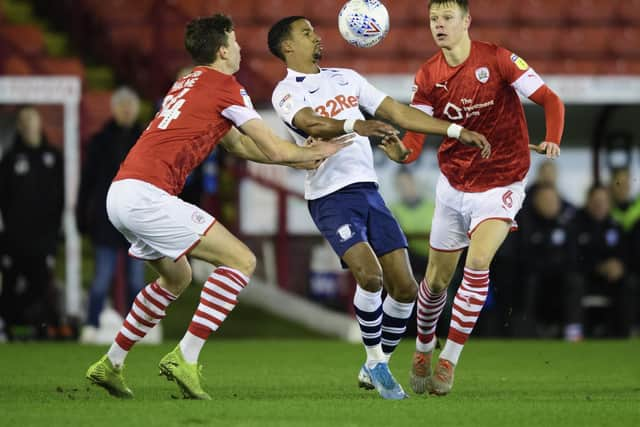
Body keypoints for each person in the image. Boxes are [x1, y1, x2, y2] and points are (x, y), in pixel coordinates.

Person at [85, 14, 352, 400]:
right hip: (148, 195)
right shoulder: (225, 85)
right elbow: (274, 147)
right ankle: (185, 357)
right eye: (236, 41)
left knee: (177, 278)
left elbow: (238, 145)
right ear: (223, 50)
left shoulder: (189, 82)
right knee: (241, 260)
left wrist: (295, 158)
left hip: (122, 193)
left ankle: (111, 362)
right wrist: (315, 151)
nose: (242, 48)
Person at [267, 16, 490, 400]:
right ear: (287, 47)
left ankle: (376, 365)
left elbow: (398, 113)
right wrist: (359, 125)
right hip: (330, 196)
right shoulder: (285, 91)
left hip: (369, 192)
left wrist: (453, 131)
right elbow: (311, 123)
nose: (315, 36)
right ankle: (376, 363)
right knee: (369, 277)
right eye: (305, 33)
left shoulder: (347, 77)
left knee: (405, 288)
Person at [401, 0, 565, 396]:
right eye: (433, 20)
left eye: (446, 18)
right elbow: (416, 132)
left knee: (476, 264)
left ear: (466, 21)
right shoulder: (428, 75)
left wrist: (553, 139)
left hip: (501, 184)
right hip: (454, 185)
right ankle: (424, 347)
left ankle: (449, 361)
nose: (438, 26)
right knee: (436, 281)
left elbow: (551, 100)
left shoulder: (498, 58)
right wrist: (400, 150)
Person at [77, 87, 146, 342]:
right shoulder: (99, 141)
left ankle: (134, 330)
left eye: (131, 105)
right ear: (114, 109)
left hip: (137, 222)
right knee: (102, 278)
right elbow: (87, 182)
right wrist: (80, 216)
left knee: (135, 280)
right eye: (122, 105)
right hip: (105, 222)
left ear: (137, 108)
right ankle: (91, 325)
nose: (127, 110)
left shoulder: (146, 138)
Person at [0, 107, 64, 340]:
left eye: (33, 119)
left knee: (40, 285)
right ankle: (5, 326)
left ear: (40, 123)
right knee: (10, 283)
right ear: (19, 126)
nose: (29, 125)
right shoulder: (10, 158)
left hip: (44, 236)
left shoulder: (54, 157)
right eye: (25, 120)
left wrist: (56, 230)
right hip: (15, 237)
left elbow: (60, 197)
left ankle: (41, 327)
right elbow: (4, 198)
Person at [516, 184, 583, 341]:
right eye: (545, 200)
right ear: (536, 202)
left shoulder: (568, 224)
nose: (550, 204)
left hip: (561, 277)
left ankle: (573, 331)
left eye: (553, 200)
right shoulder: (526, 224)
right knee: (528, 280)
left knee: (575, 281)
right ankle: (527, 333)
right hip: (535, 276)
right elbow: (523, 256)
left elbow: (574, 257)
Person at [573, 185, 636, 338]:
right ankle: (573, 333)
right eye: (595, 201)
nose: (599, 205)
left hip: (611, 279)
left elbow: (626, 254)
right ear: (588, 201)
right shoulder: (576, 225)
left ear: (609, 203)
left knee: (629, 282)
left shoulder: (616, 226)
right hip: (586, 277)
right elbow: (573, 258)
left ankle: (624, 335)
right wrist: (599, 267)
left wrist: (619, 266)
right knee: (574, 281)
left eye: (603, 201)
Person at [389, 167, 435, 279]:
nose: (405, 188)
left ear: (414, 182)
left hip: (434, 257)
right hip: (409, 259)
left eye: (407, 183)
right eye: (401, 185)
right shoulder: (393, 210)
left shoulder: (433, 207)